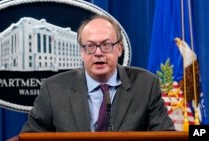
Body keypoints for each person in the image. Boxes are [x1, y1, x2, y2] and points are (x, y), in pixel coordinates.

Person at [21, 15, 175, 132]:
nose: (98, 53)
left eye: (106, 45)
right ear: (82, 52)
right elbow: (31, 136)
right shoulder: (53, 89)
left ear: (119, 49)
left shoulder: (146, 85)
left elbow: (164, 134)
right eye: (90, 46)